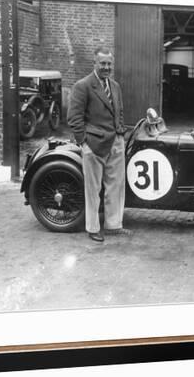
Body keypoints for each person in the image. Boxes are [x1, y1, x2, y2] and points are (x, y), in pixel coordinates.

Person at [67, 47, 130, 242]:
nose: (106, 67)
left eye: (109, 64)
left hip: (115, 143)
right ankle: (93, 228)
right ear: (94, 63)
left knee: (116, 186)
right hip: (94, 145)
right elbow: (74, 118)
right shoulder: (83, 86)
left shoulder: (115, 86)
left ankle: (113, 225)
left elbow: (118, 111)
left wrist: (120, 133)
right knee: (93, 189)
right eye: (102, 63)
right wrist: (83, 143)